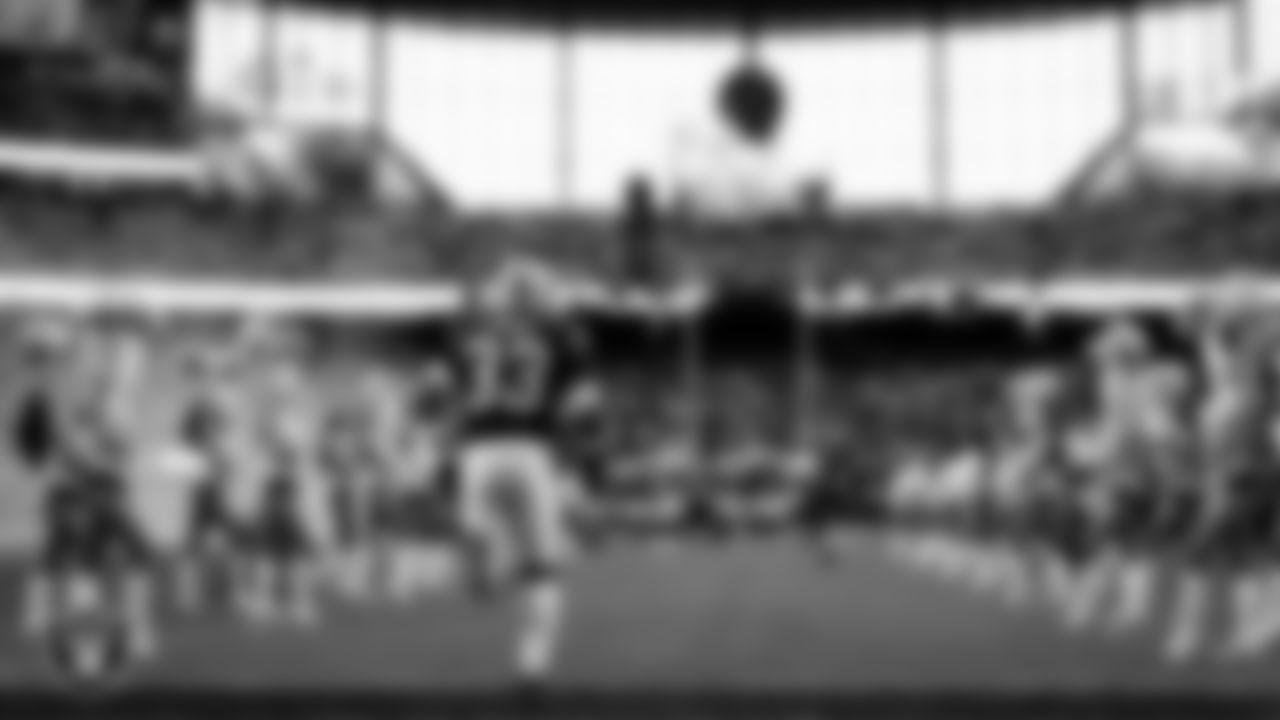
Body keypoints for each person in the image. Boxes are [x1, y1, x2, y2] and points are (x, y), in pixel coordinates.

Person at [448, 257, 600, 690]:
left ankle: (490, 558)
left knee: (498, 552)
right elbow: (583, 409)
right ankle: (531, 663)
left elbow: (447, 393)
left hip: (476, 452)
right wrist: (583, 473)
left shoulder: (470, 339)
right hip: (532, 449)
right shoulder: (563, 340)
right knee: (545, 569)